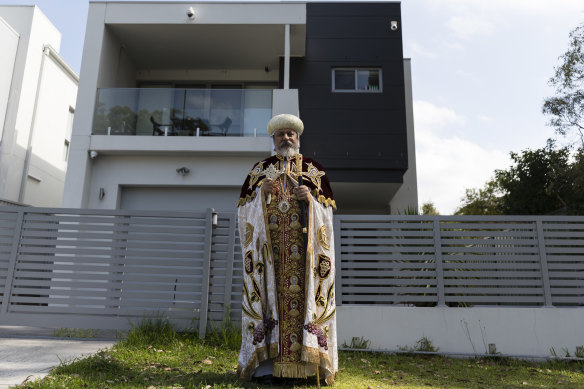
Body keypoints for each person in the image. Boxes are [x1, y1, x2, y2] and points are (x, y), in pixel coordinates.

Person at [236, 114, 338, 385]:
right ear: (273, 139)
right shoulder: (260, 170)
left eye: (290, 134)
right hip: (269, 262)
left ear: (298, 137)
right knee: (269, 308)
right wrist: (261, 196)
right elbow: (243, 215)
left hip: (304, 262)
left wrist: (312, 202)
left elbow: (327, 216)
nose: (286, 138)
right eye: (280, 134)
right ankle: (266, 370)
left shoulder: (313, 169)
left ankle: (305, 370)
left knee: (306, 307)